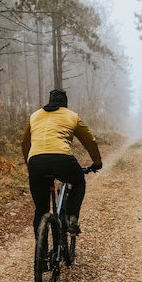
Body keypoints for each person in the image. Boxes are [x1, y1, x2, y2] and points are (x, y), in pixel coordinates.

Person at [21, 88, 102, 237]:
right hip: (62, 160)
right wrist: (97, 162)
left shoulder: (35, 116)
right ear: (65, 103)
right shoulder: (72, 116)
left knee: (41, 209)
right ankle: (71, 219)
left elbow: (25, 143)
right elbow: (89, 141)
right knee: (78, 182)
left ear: (49, 100)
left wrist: (30, 164)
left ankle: (41, 250)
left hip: (36, 162)